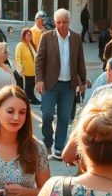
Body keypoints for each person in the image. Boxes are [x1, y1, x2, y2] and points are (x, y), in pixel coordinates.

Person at [35, 9, 87, 161]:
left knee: (64, 118)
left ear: (69, 22)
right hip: (50, 84)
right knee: (47, 114)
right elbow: (39, 60)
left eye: (64, 22)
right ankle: (47, 142)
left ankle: (58, 149)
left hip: (68, 86)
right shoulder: (47, 37)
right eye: (58, 22)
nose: (61, 25)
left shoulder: (76, 38)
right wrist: (39, 80)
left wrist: (82, 81)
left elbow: (80, 61)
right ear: (55, 22)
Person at [15, 27, 39, 104]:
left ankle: (30, 98)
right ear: (24, 35)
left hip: (33, 71)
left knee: (31, 87)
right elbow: (17, 58)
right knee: (27, 87)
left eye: (30, 35)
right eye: (28, 35)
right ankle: (30, 99)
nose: (30, 37)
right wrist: (20, 68)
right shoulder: (20, 45)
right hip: (25, 72)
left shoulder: (31, 45)